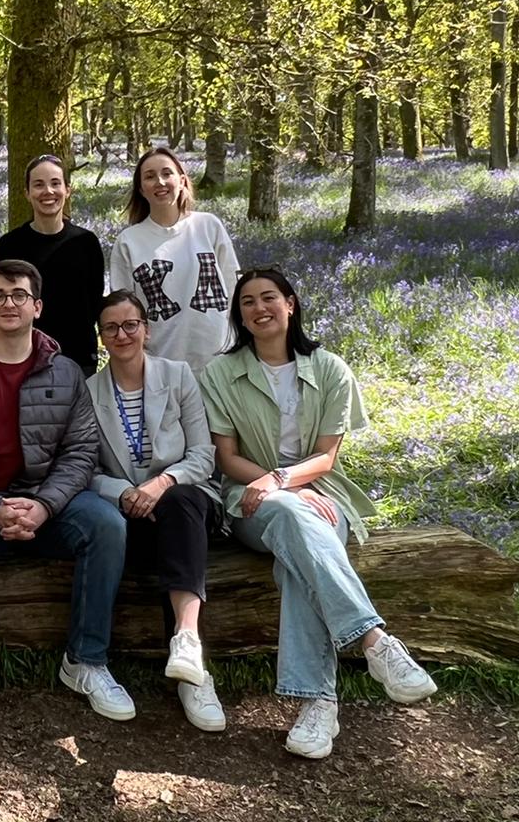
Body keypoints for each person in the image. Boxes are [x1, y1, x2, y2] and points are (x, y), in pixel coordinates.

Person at [199, 267, 437, 760]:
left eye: (269, 298)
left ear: (290, 304)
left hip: (322, 493)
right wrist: (270, 485)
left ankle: (318, 703)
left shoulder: (329, 368)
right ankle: (375, 642)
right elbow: (226, 458)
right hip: (250, 499)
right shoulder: (220, 373)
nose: (259, 308)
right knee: (288, 518)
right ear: (238, 315)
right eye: (247, 302)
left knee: (296, 557)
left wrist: (285, 481)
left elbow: (328, 457)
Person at [0, 259, 134, 724]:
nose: (9, 303)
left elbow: (81, 452)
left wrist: (43, 505)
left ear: (37, 306)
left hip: (51, 504)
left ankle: (86, 661)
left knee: (107, 525)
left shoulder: (66, 373)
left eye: (19, 295)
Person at [86, 290, 225, 732]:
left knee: (181, 504)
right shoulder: (89, 392)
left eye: (131, 324)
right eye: (112, 327)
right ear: (102, 338)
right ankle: (188, 657)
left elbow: (204, 455)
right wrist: (125, 492)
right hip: (130, 512)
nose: (122, 334)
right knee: (164, 527)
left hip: (185, 502)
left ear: (147, 329)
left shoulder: (179, 376)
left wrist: (163, 482)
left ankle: (188, 650)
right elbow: (84, 469)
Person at [108, 147, 240, 373]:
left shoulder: (208, 226)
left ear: (181, 181)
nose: (160, 182)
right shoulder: (128, 242)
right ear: (141, 189)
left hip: (221, 363)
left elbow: (235, 287)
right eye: (150, 176)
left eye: (166, 173)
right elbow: (124, 312)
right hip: (162, 367)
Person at [0, 153, 104, 375]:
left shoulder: (86, 243)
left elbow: (94, 303)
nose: (48, 192)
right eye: (39, 185)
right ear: (27, 193)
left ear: (67, 190)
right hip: (24, 361)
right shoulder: (10, 245)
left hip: (78, 360)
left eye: (55, 183)